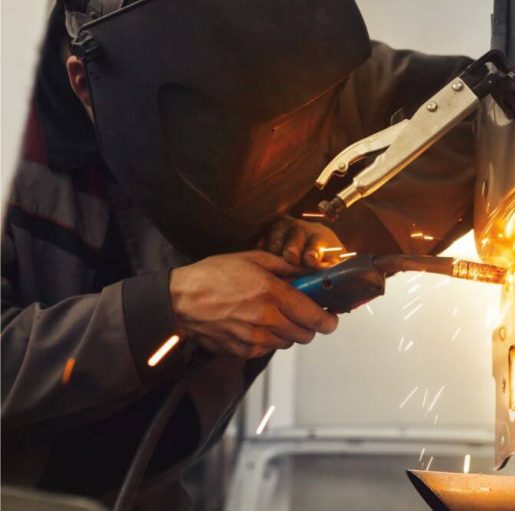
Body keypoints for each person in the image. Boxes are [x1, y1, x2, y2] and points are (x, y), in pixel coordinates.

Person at [1, 0, 476, 508]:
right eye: (207, 135)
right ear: (83, 82)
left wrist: (342, 224)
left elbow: (479, 113)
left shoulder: (304, 62)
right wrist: (173, 308)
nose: (258, 164)